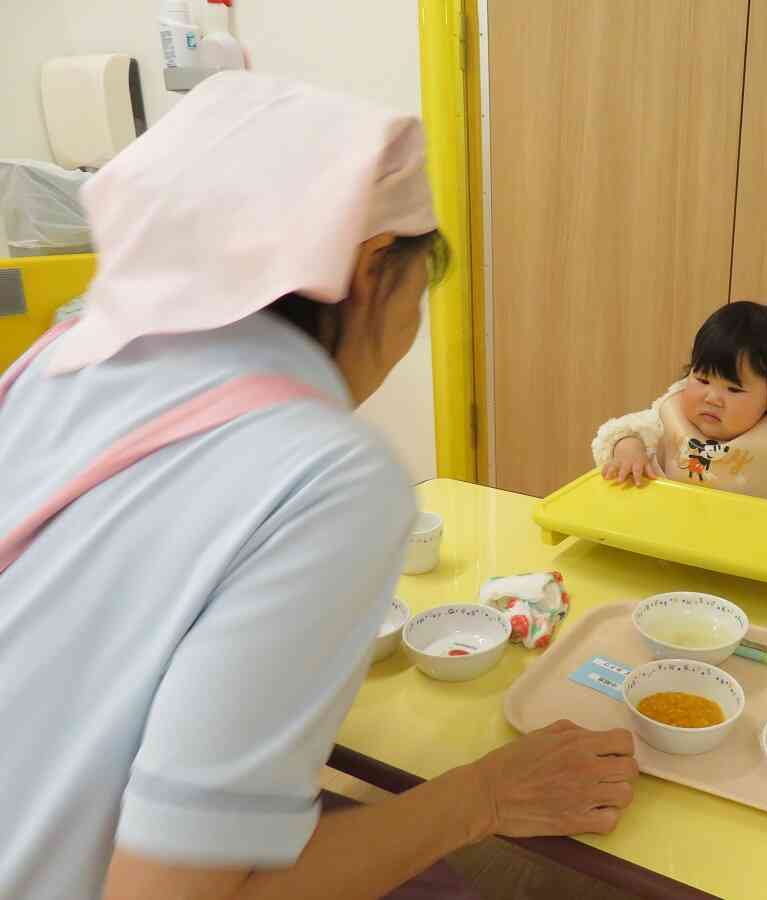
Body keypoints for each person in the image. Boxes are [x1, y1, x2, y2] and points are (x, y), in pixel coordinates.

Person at [0, 72, 636, 900]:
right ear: (373, 270)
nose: (410, 329)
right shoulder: (327, 470)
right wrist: (485, 794)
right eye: (420, 290)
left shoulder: (51, 359)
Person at [593, 301, 767, 507]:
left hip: (751, 560)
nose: (711, 398)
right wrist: (628, 449)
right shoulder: (671, 414)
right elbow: (625, 430)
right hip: (666, 541)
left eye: (733, 389)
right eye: (702, 379)